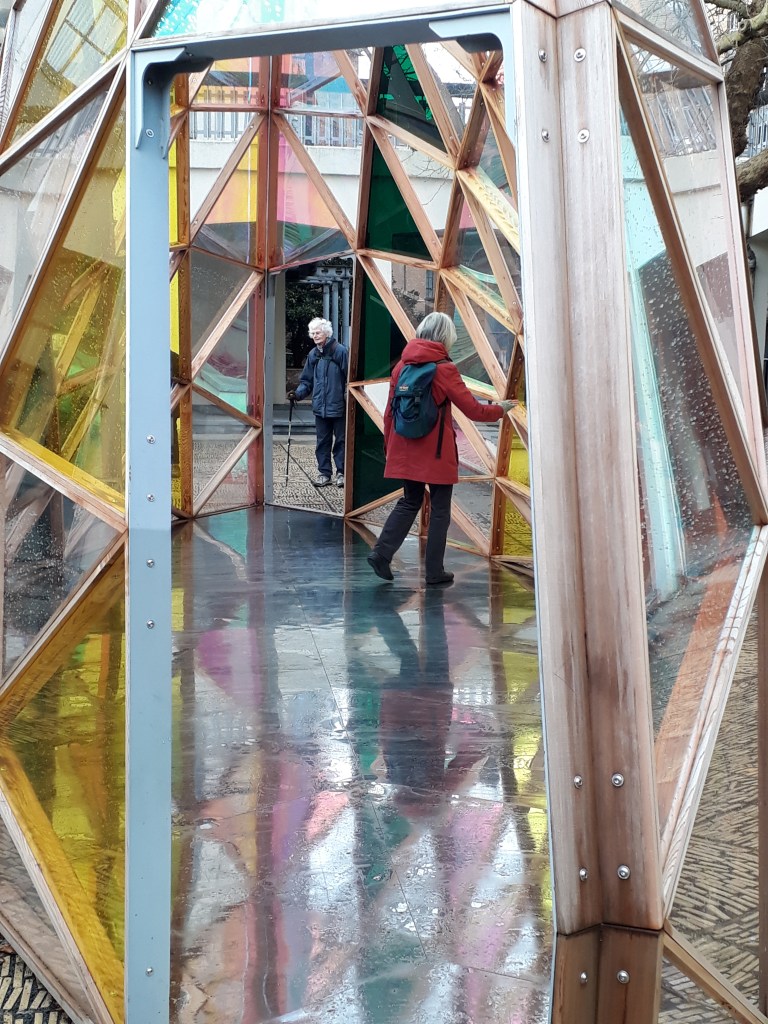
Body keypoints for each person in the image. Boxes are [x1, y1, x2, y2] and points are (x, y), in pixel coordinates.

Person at [367, 311, 516, 586]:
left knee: (409, 501)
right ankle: (434, 571)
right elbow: (473, 410)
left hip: (404, 446)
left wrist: (390, 446)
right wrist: (501, 409)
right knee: (440, 510)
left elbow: (389, 412)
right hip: (435, 452)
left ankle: (381, 554)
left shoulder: (402, 366)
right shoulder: (444, 368)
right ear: (445, 337)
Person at [288, 317, 348, 488]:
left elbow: (349, 378)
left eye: (318, 332)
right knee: (322, 442)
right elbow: (306, 380)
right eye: (312, 333)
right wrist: (297, 395)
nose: (314, 336)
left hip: (339, 406)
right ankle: (324, 474)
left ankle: (342, 473)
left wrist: (347, 399)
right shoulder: (313, 354)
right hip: (320, 408)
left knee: (341, 442)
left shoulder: (340, 351)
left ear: (326, 333)